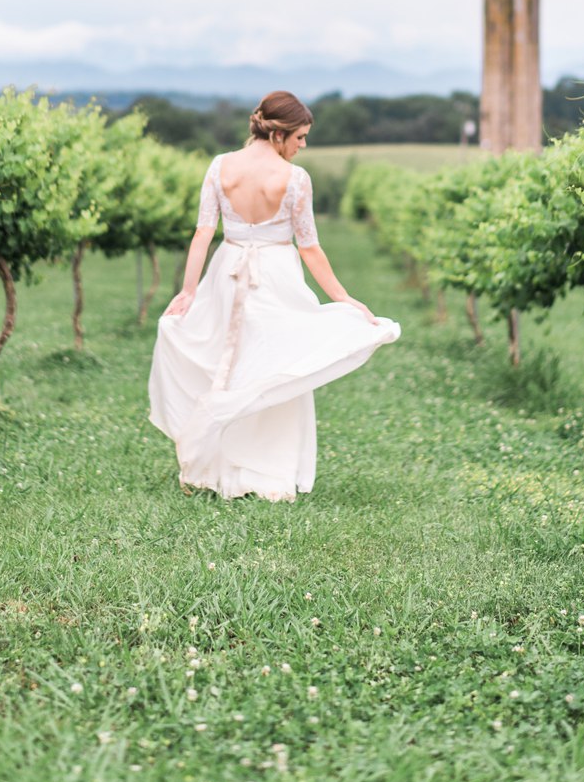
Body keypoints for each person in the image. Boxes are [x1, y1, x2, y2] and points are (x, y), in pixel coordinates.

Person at [148, 91, 401, 502]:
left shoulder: (220, 166)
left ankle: (217, 464)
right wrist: (342, 297)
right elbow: (310, 248)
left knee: (226, 365)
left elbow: (202, 233)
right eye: (300, 137)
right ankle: (266, 471)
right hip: (275, 276)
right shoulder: (295, 180)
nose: (303, 146)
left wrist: (190, 290)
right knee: (274, 363)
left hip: (225, 272)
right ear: (279, 133)